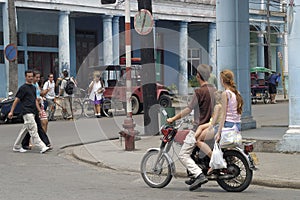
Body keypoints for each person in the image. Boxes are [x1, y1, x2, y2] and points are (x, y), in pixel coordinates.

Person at [167, 64, 216, 191]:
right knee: (193, 150)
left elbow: (188, 109)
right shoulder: (213, 89)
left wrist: (173, 119)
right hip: (211, 126)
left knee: (183, 154)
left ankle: (199, 175)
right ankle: (196, 175)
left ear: (198, 76)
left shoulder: (199, 92)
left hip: (199, 127)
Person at [8, 70, 50, 154]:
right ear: (25, 77)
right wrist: (11, 111)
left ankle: (16, 146)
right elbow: (16, 100)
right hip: (27, 112)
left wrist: (39, 111)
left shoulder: (34, 88)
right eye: (29, 76)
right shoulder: (23, 88)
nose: (30, 78)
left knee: (25, 130)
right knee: (34, 129)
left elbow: (35, 101)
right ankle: (42, 146)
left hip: (33, 112)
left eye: (31, 76)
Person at [21, 70, 52, 151]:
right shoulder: (28, 87)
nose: (37, 79)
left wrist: (44, 93)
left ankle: (44, 142)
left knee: (40, 124)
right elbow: (21, 99)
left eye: (38, 77)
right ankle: (42, 143)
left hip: (38, 106)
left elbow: (39, 95)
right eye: (36, 77)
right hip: (32, 108)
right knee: (33, 127)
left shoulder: (36, 85)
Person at [194, 90, 223, 173]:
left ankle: (213, 160)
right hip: (220, 126)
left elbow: (214, 119)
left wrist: (210, 126)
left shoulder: (217, 106)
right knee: (201, 129)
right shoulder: (224, 106)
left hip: (215, 126)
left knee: (198, 140)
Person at [215, 69, 244, 146]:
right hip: (237, 124)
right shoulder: (236, 93)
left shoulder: (226, 93)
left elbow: (224, 114)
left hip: (229, 124)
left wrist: (219, 132)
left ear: (222, 80)